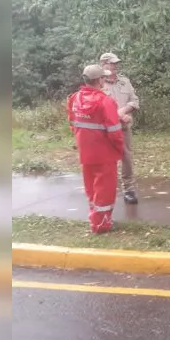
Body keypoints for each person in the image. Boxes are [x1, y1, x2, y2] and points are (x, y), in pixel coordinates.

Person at [67, 65, 125, 234]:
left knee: (91, 188)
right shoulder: (106, 102)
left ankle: (95, 218)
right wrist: (119, 149)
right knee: (105, 190)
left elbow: (73, 124)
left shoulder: (75, 99)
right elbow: (114, 132)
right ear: (99, 80)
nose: (104, 80)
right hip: (105, 154)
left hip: (85, 153)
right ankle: (101, 225)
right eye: (103, 78)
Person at [99, 52, 140, 204]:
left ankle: (128, 189)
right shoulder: (98, 84)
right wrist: (118, 114)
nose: (115, 66)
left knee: (127, 158)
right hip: (105, 131)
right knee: (106, 161)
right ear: (103, 65)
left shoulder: (124, 81)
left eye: (116, 63)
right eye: (111, 63)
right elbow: (97, 108)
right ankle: (105, 190)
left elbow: (135, 101)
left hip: (123, 128)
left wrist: (125, 110)